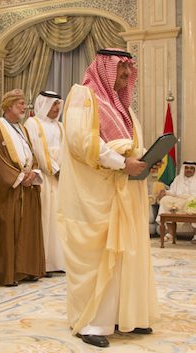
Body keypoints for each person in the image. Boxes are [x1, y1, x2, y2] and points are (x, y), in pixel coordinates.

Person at [58, 48, 159, 348]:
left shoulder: (123, 107)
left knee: (125, 255)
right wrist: (122, 162)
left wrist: (143, 160)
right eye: (121, 68)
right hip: (96, 196)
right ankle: (93, 323)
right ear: (105, 68)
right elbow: (83, 142)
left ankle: (123, 316)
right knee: (98, 257)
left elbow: (130, 145)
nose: (126, 74)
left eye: (129, 69)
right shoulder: (83, 96)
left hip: (125, 192)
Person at [0, 89, 46, 287]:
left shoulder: (22, 128)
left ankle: (27, 269)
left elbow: (33, 153)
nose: (24, 107)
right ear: (9, 106)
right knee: (9, 229)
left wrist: (34, 173)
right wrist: (20, 177)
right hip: (11, 188)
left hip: (27, 185)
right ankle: (8, 273)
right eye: (20, 103)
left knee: (28, 228)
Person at [24, 91, 66, 273]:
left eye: (58, 105)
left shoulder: (61, 127)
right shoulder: (33, 124)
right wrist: (55, 169)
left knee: (61, 219)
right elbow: (38, 151)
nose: (57, 108)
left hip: (62, 179)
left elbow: (67, 150)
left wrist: (63, 171)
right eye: (53, 104)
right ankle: (45, 262)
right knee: (45, 218)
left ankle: (60, 261)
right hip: (44, 179)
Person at [156, 161, 196, 242]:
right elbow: (173, 192)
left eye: (191, 168)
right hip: (178, 200)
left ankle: (195, 235)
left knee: (193, 203)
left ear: (194, 170)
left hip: (192, 201)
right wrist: (165, 192)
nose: (189, 170)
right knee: (165, 200)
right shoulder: (178, 179)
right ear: (183, 169)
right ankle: (170, 233)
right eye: (187, 168)